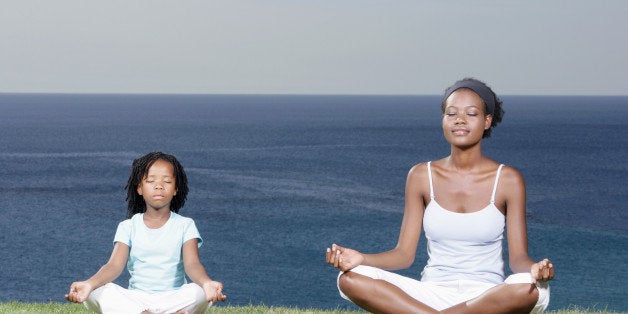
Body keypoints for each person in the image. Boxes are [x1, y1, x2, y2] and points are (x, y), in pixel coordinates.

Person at [326, 78, 554, 314]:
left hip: (486, 298)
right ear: (444, 120)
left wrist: (535, 269)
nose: (460, 119)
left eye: (471, 113)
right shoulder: (420, 175)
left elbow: (518, 259)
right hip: (431, 294)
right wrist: (360, 258)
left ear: (487, 121)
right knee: (350, 278)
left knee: (530, 288)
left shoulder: (508, 179)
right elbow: (403, 255)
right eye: (451, 113)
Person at [66, 151, 226, 314]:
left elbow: (192, 264)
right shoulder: (128, 226)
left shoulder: (185, 225)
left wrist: (206, 283)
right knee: (95, 292)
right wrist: (89, 283)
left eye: (167, 181)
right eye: (150, 181)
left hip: (174, 298)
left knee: (198, 291)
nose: (159, 186)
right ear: (140, 188)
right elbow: (114, 265)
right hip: (137, 299)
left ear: (176, 189)